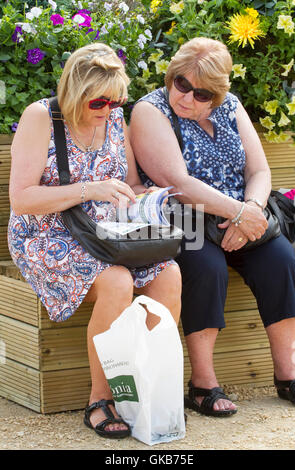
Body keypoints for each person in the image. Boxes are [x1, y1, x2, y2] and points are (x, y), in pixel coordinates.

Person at [8, 43, 182, 438]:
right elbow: (22, 199)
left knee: (169, 273)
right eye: (99, 102)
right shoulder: (41, 117)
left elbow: (130, 184)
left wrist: (151, 201)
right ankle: (101, 399)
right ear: (74, 91)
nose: (108, 110)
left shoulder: (114, 119)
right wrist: (90, 189)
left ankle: (147, 388)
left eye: (116, 102)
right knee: (118, 280)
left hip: (107, 233)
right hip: (45, 233)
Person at [129, 37, 295, 417]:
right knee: (206, 268)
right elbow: (178, 184)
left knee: (280, 259)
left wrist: (252, 208)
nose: (187, 97)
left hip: (241, 214)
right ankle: (203, 383)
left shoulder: (231, 106)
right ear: (172, 77)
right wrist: (240, 212)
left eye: (202, 93)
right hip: (184, 219)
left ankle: (288, 374)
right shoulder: (150, 110)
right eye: (181, 84)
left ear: (218, 93)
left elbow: (259, 170)